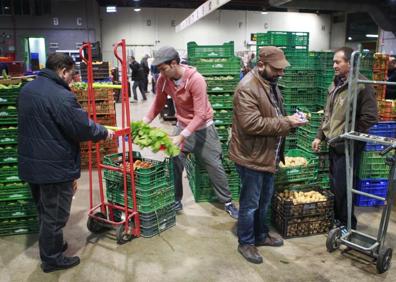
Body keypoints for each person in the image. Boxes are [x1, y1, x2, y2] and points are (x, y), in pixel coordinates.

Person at [17, 53, 114, 273]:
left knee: (44, 210)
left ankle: (52, 245)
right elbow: (81, 128)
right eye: (72, 74)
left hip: (31, 163)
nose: (73, 79)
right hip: (53, 166)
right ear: (62, 70)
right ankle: (52, 259)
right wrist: (104, 132)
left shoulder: (27, 89)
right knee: (56, 215)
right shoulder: (61, 95)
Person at [229, 46, 308, 264]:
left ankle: (261, 235)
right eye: (277, 69)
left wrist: (291, 121)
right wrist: (286, 122)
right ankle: (246, 242)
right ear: (261, 65)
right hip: (251, 157)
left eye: (282, 69)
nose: (281, 73)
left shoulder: (270, 83)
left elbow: (273, 113)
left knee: (264, 202)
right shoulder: (247, 88)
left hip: (268, 155)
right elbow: (251, 124)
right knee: (250, 204)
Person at [143, 46, 239, 219]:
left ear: (173, 64)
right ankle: (176, 200)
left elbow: (201, 114)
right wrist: (143, 123)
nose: (161, 73)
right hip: (182, 126)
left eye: (163, 69)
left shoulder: (196, 80)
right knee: (175, 163)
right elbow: (157, 105)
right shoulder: (163, 80)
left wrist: (181, 136)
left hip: (203, 129)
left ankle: (227, 202)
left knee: (214, 165)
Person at [312, 47, 378, 231]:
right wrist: (320, 136)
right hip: (334, 143)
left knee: (344, 186)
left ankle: (348, 225)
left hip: (348, 146)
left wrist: (348, 135)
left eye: (338, 62)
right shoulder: (335, 84)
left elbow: (370, 117)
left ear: (350, 63)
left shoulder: (362, 85)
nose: (334, 65)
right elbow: (328, 114)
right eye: (334, 61)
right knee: (335, 184)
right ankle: (337, 220)